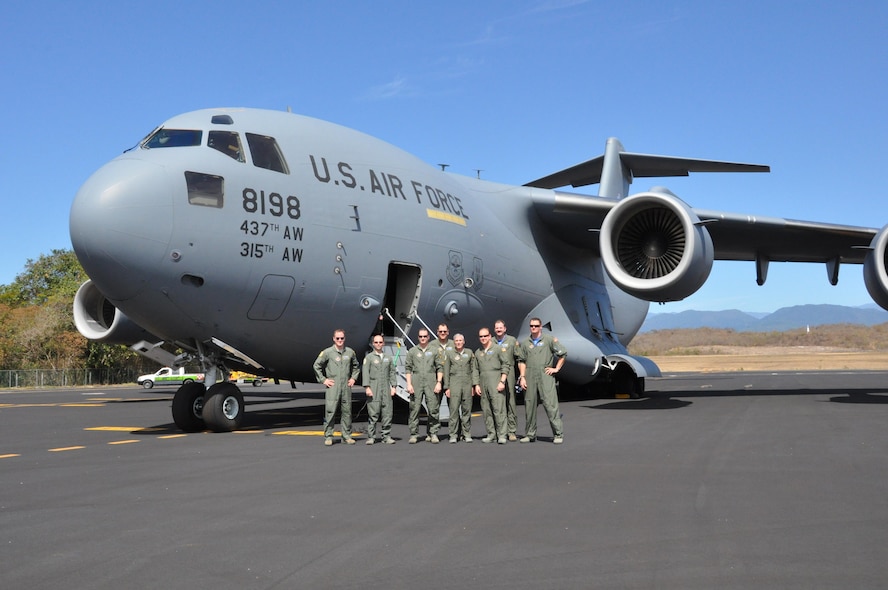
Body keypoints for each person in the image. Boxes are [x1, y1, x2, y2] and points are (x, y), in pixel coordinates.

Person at [516, 318, 566, 444]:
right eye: (531, 326)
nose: (533, 328)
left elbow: (562, 353)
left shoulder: (549, 340)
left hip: (545, 375)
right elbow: (521, 360)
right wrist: (522, 377)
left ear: (540, 327)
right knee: (529, 406)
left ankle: (558, 434)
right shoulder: (526, 343)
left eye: (536, 326)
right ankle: (530, 434)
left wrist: (556, 369)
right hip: (530, 375)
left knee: (550, 405)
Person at [313, 329, 360, 446]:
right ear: (333, 339)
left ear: (345, 339)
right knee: (330, 410)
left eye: (342, 338)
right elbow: (316, 365)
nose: (340, 340)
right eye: (337, 338)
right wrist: (324, 379)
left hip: (346, 386)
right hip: (333, 385)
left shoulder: (350, 352)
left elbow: (356, 366)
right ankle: (328, 436)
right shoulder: (328, 352)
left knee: (347, 411)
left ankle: (347, 436)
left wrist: (353, 378)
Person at [404, 328, 443, 443]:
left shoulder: (435, 351)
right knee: (414, 408)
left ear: (428, 337)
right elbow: (408, 368)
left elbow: (440, 367)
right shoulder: (412, 351)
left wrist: (439, 383)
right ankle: (414, 434)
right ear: (418, 337)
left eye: (425, 336)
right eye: (421, 336)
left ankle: (433, 433)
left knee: (433, 408)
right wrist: (409, 384)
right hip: (416, 381)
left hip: (431, 380)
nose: (423, 338)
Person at [474, 327, 512, 444]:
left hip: (495, 380)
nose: (483, 338)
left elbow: (506, 365)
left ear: (490, 336)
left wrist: (502, 381)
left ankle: (502, 435)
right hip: (483, 381)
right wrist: (476, 385)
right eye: (481, 336)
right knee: (487, 410)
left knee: (498, 409)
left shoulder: (498, 349)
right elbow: (475, 369)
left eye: (485, 336)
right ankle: (491, 434)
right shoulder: (478, 352)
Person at [442, 333, 479, 443]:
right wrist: (447, 387)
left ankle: (466, 433)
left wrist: (473, 385)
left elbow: (473, 370)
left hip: (467, 384)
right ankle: (453, 434)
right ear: (454, 342)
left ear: (464, 342)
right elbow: (446, 371)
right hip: (454, 384)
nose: (458, 342)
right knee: (453, 410)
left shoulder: (469, 353)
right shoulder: (449, 354)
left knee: (466, 410)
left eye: (460, 340)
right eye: (456, 341)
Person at [362, 334, 397, 445]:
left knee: (387, 413)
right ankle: (371, 437)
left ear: (383, 343)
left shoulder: (388, 358)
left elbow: (392, 372)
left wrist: (394, 386)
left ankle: (386, 436)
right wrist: (367, 387)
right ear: (373, 344)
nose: (378, 344)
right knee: (373, 413)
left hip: (385, 387)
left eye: (380, 342)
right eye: (376, 342)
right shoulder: (369, 358)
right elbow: (365, 373)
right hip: (374, 386)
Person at [493, 319, 520, 441]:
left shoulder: (512, 341)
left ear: (505, 329)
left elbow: (519, 358)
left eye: (500, 327)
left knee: (510, 402)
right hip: (495, 374)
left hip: (509, 373)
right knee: (498, 403)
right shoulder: (491, 341)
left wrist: (522, 375)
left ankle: (512, 431)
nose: (498, 329)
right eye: (496, 328)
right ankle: (499, 430)